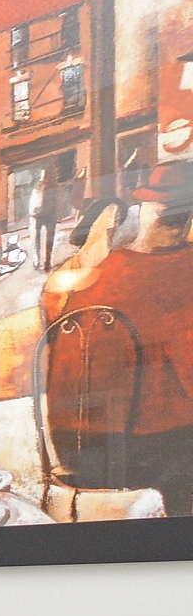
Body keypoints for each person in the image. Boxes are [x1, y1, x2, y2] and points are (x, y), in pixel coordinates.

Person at [44, 163, 193, 512]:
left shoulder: (99, 272)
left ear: (144, 212)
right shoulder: (185, 274)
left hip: (76, 450)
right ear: (187, 219)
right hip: (153, 455)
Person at [41, 196, 126, 325]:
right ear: (92, 222)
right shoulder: (68, 271)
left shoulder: (118, 262)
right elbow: (54, 317)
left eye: (116, 218)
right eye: (108, 218)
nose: (111, 224)